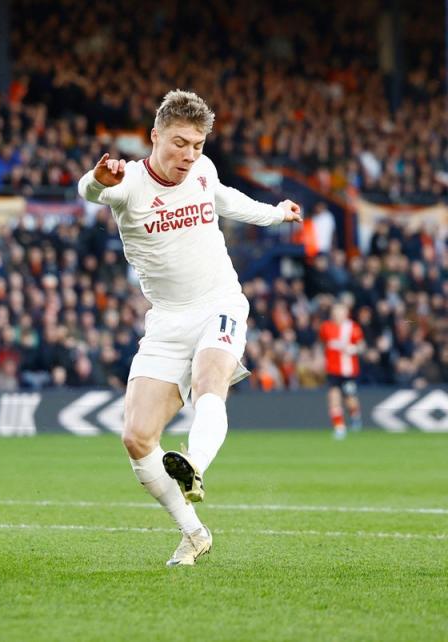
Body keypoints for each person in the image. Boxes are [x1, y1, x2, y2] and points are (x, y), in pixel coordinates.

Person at [77, 90, 302, 567]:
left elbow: (227, 200)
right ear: (154, 136)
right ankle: (194, 532)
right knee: (137, 437)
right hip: (166, 320)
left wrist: (276, 214)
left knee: (209, 380)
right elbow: (90, 193)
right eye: (180, 143)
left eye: (198, 144)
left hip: (219, 302)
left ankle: (195, 463)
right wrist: (96, 180)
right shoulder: (129, 183)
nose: (189, 155)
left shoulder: (202, 170)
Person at [318, 302, 364, 439]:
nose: (338, 315)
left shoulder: (353, 328)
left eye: (340, 312)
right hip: (332, 369)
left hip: (348, 371)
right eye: (335, 312)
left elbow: (361, 346)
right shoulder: (326, 327)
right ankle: (339, 427)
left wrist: (354, 349)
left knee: (350, 399)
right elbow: (322, 343)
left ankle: (355, 416)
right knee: (333, 397)